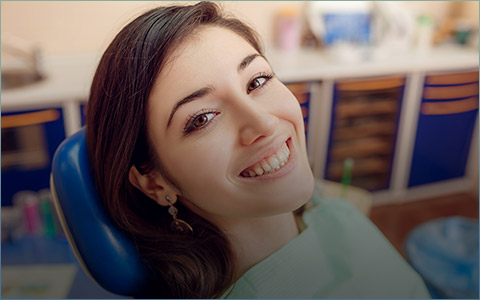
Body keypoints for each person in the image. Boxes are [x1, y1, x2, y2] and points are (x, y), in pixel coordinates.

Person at [86, 2, 430, 299]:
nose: (263, 124)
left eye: (257, 81)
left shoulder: (332, 214)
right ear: (154, 183)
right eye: (203, 118)